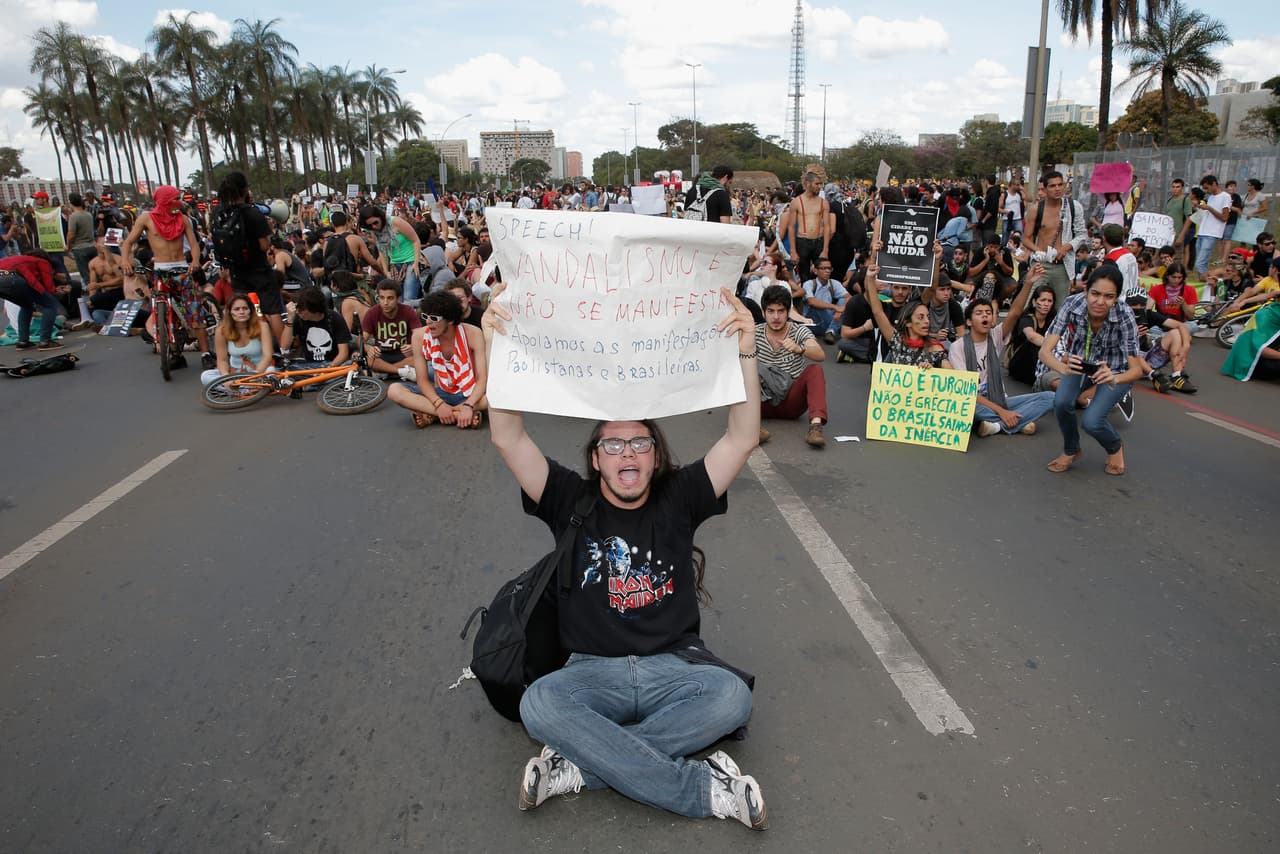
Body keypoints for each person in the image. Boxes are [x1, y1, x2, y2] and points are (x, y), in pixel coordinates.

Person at [480, 278, 768, 830]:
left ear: (655, 455)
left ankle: (583, 766)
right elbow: (508, 438)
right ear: (596, 458)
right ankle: (703, 791)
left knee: (732, 698)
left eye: (640, 442)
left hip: (673, 669)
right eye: (613, 444)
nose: (627, 453)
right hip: (591, 674)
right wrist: (499, 348)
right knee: (538, 704)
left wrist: (746, 351)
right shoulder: (568, 497)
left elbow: (742, 436)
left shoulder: (680, 496)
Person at [1039, 266, 1144, 476]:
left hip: (1114, 370)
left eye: (1108, 296)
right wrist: (1063, 367)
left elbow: (1136, 371)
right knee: (1061, 402)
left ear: (1116, 298)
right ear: (1086, 291)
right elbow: (1045, 351)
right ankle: (1072, 449)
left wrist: (1114, 377)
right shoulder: (1072, 303)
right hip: (1079, 363)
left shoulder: (1125, 315)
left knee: (1091, 422)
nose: (1100, 301)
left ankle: (1114, 446)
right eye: (1095, 294)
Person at [950, 263, 1054, 436]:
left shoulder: (995, 336)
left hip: (997, 396)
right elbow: (966, 392)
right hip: (974, 400)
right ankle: (1012, 422)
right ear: (968, 321)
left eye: (988, 312)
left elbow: (1014, 313)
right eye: (979, 313)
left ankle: (996, 426)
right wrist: (1002, 412)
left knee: (1050, 398)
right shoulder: (958, 347)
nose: (985, 315)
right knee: (968, 409)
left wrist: (1028, 283)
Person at [120, 185, 211, 368]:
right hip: (160, 272)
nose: (179, 202)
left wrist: (194, 261)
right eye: (175, 199)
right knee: (165, 312)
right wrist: (125, 261)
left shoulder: (183, 219)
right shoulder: (146, 219)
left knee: (194, 311)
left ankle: (206, 354)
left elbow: (193, 244)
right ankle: (175, 353)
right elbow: (128, 242)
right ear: (164, 202)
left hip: (181, 270)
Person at [386, 290, 487, 429]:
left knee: (497, 396)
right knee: (394, 390)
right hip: (441, 393)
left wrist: (469, 404)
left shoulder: (473, 333)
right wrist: (439, 404)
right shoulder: (419, 337)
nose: (428, 322)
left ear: (450, 320)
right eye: (426, 316)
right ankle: (456, 415)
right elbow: (422, 380)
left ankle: (432, 415)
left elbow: (482, 379)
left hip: (470, 392)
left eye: (434, 318)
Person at [755, 284, 828, 447]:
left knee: (815, 370)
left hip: (791, 402)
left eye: (781, 311)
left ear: (788, 312)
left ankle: (816, 427)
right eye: (771, 311)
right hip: (761, 403)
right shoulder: (755, 332)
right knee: (742, 368)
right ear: (763, 312)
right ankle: (751, 427)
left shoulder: (798, 331)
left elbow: (820, 354)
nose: (776, 317)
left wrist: (800, 349)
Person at [1023, 171, 1088, 304]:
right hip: (1040, 264)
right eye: (1052, 186)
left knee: (1061, 307)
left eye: (1060, 185)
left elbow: (1082, 234)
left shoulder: (1073, 207)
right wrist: (1039, 251)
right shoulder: (1036, 209)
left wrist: (1065, 248)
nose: (1057, 189)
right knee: (1029, 303)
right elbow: (1026, 238)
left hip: (1062, 265)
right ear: (1045, 189)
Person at [1126, 293, 1196, 393]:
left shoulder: (1147, 314)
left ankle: (1177, 375)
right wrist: (1132, 335)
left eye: (1141, 305)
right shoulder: (1120, 316)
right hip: (1129, 363)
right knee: (1130, 347)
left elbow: (1181, 326)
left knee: (1177, 333)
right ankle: (1155, 377)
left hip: (1147, 358)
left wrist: (1185, 346)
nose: (1138, 307)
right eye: (1134, 304)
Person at [201, 293, 274, 386]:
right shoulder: (221, 330)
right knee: (206, 376)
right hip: (235, 374)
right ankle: (243, 389)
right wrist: (226, 377)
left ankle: (240, 391)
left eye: (245, 308)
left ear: (250, 311)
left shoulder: (262, 326)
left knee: (271, 372)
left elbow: (268, 356)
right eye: (237, 309)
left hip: (259, 372)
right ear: (229, 312)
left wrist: (256, 374)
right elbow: (222, 360)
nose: (241, 312)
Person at [0, 249, 63, 350]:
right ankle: (45, 341)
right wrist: (54, 292)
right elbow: (49, 287)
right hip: (9, 276)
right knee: (50, 305)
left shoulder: (21, 259)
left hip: (4, 275)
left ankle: (23, 341)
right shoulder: (42, 261)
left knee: (26, 305)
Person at [358, 205, 422, 301]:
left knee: (409, 298)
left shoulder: (395, 222)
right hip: (394, 264)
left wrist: (416, 262)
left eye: (375, 222)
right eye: (370, 225)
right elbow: (382, 251)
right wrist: (386, 271)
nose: (374, 226)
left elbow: (415, 240)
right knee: (397, 300)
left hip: (411, 260)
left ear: (380, 217)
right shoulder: (375, 232)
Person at [361, 278, 421, 378]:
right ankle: (401, 372)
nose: (385, 302)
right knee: (366, 359)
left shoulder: (408, 311)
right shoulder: (372, 312)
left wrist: (413, 346)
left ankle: (384, 372)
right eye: (381, 298)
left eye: (390, 298)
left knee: (420, 358)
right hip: (381, 354)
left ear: (398, 299)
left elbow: (419, 334)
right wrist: (368, 348)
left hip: (404, 353)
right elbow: (362, 338)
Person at [279, 285, 351, 367]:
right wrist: (290, 320)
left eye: (302, 309)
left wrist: (328, 369)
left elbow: (343, 353)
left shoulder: (335, 318)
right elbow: (284, 347)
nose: (298, 312)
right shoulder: (298, 319)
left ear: (313, 308)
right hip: (309, 365)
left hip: (333, 364)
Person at [784, 171, 831, 280]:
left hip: (819, 241)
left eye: (820, 184)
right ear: (808, 184)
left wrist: (825, 249)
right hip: (802, 241)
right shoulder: (796, 202)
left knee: (822, 274)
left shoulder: (823, 203)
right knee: (804, 275)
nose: (819, 187)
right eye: (817, 184)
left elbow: (827, 227)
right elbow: (791, 227)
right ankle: (806, 295)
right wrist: (793, 251)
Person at [1009, 284, 1057, 386]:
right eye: (1043, 300)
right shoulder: (1027, 318)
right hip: (1021, 362)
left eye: (1049, 301)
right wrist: (1052, 346)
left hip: (1041, 360)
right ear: (1034, 302)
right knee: (1034, 345)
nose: (1046, 304)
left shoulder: (1053, 319)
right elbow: (1031, 335)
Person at [800, 257, 848, 344]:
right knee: (817, 305)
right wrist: (835, 307)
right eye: (823, 268)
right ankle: (833, 330)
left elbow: (849, 297)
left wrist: (840, 311)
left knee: (844, 300)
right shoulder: (809, 284)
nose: (827, 271)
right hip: (814, 322)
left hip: (829, 319)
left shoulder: (834, 283)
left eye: (829, 268)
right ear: (815, 270)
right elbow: (812, 301)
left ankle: (830, 330)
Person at [1193, 175, 1232, 280]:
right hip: (1202, 232)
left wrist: (1209, 208)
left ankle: (1211, 282)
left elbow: (1224, 217)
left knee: (1199, 263)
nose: (1206, 190)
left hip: (1212, 233)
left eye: (1207, 187)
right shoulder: (1210, 197)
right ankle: (1203, 285)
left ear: (1214, 184)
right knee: (1202, 263)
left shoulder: (1225, 196)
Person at [86, 234, 127, 327]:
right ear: (95, 245)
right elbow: (93, 285)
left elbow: (122, 280)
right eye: (102, 243)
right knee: (92, 307)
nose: (104, 246)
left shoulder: (117, 259)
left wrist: (100, 286)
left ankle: (106, 322)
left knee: (97, 300)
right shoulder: (93, 263)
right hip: (106, 293)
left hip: (119, 291)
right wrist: (91, 300)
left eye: (106, 243)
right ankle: (104, 324)